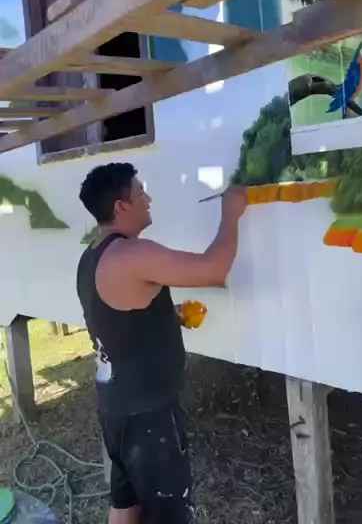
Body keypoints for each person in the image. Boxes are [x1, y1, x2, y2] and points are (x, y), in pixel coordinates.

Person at [76, 162, 247, 524]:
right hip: (147, 418)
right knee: (167, 514)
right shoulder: (131, 255)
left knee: (126, 504)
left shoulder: (93, 256)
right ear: (121, 206)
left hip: (116, 407)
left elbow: (118, 316)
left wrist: (169, 316)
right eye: (140, 192)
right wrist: (231, 214)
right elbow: (213, 268)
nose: (148, 199)